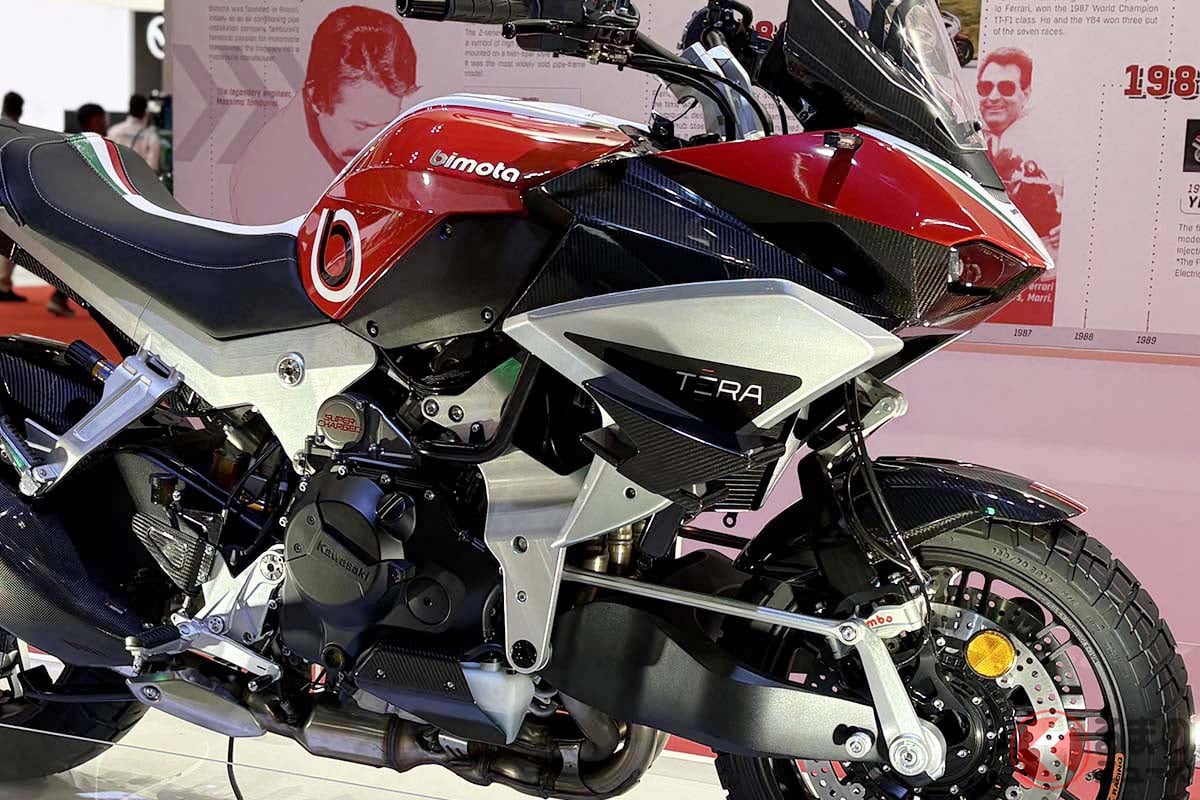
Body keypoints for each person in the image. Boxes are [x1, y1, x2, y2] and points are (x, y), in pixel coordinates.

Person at [230, 6, 420, 224]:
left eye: (387, 125)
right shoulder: (271, 186)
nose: (375, 143)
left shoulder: (336, 145)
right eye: (361, 126)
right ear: (316, 98)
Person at [977, 47, 1062, 257]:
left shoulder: (1053, 142)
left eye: (1006, 88)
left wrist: (1068, 226)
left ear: (1026, 94)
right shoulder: (965, 135)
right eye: (985, 87)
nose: (993, 97)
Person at [0, 92, 24, 303]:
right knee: (12, 240)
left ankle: (3, 283)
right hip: (8, 193)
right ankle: (3, 284)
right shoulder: (14, 132)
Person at [107, 94, 162, 170]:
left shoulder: (114, 131)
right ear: (145, 111)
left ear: (129, 108)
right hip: (141, 176)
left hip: (117, 175)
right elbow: (152, 167)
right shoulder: (151, 136)